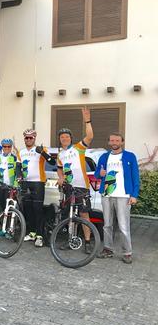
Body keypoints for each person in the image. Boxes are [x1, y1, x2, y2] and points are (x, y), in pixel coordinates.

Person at [95, 133, 140, 264]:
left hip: (123, 195)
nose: (114, 142)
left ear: (122, 142)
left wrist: (134, 195)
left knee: (123, 225)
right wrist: (100, 173)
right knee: (107, 224)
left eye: (117, 140)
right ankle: (108, 249)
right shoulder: (104, 157)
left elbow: (135, 176)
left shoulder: (130, 156)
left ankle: (127, 252)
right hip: (107, 195)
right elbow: (97, 174)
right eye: (112, 140)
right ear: (109, 142)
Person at [56, 107, 95, 254]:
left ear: (70, 138)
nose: (64, 138)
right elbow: (59, 168)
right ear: (59, 139)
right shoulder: (60, 154)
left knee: (84, 215)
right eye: (62, 137)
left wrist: (87, 121)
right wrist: (61, 177)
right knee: (70, 215)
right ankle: (70, 240)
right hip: (69, 187)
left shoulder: (78, 148)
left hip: (81, 187)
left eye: (67, 136)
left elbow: (90, 136)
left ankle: (87, 242)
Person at [17, 129, 56, 247]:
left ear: (34, 138)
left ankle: (40, 236)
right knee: (28, 210)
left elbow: (52, 162)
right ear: (24, 139)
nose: (28, 140)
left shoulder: (40, 149)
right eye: (26, 138)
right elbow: (18, 166)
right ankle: (32, 233)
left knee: (37, 209)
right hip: (26, 183)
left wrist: (42, 152)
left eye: (31, 138)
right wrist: (19, 176)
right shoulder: (21, 152)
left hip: (38, 182)